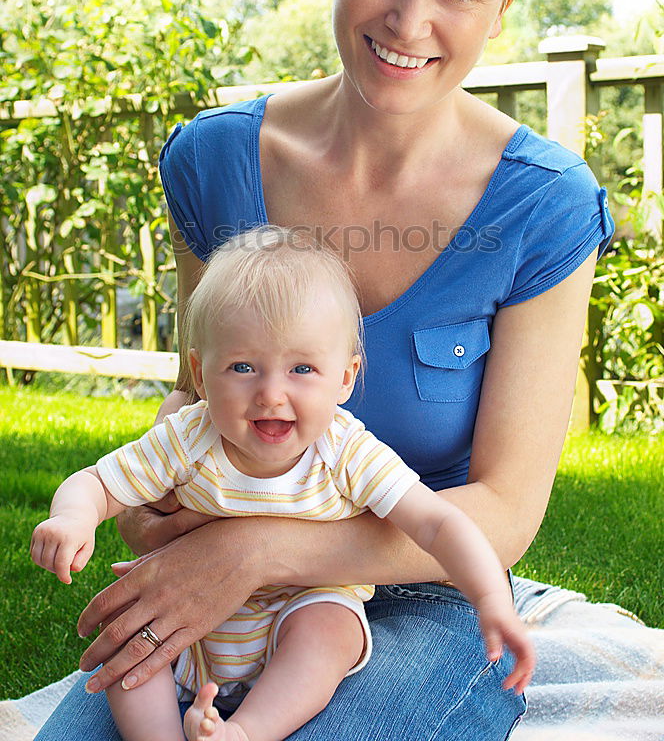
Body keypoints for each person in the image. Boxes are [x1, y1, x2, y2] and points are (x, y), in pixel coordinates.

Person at [35, 0, 615, 741]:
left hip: (423, 586)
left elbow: (504, 511)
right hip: (223, 581)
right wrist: (153, 512)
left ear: (502, 5)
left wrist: (256, 549)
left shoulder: (540, 206)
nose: (410, 20)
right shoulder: (217, 160)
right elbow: (197, 391)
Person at [31, 227, 534, 741]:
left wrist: (491, 595)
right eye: (243, 367)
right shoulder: (189, 438)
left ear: (345, 377)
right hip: (192, 628)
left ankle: (246, 731)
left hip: (292, 617)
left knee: (330, 625)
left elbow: (437, 523)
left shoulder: (343, 451)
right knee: (130, 642)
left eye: (301, 368)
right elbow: (97, 481)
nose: (271, 394)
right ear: (200, 375)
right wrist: (74, 516)